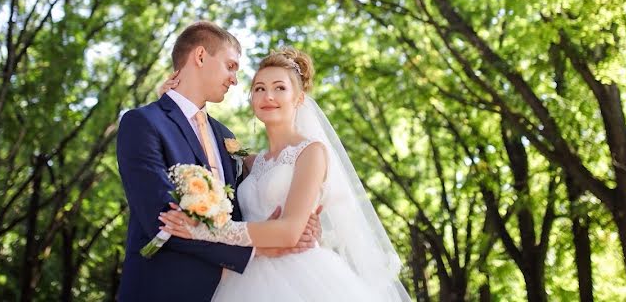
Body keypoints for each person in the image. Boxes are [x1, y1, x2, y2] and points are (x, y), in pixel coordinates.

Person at [159, 47, 411, 302]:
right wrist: (171, 101)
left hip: (302, 276)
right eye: (259, 88)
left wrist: (204, 231)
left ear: (299, 98)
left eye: (280, 88)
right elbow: (197, 136)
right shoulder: (248, 160)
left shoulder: (312, 152)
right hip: (243, 277)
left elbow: (290, 231)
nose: (268, 95)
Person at [115, 22, 320, 302]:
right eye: (231, 66)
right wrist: (256, 250)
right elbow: (163, 221)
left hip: (233, 291)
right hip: (162, 290)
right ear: (200, 57)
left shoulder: (226, 137)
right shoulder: (143, 123)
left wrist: (300, 224)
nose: (235, 80)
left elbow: (242, 208)